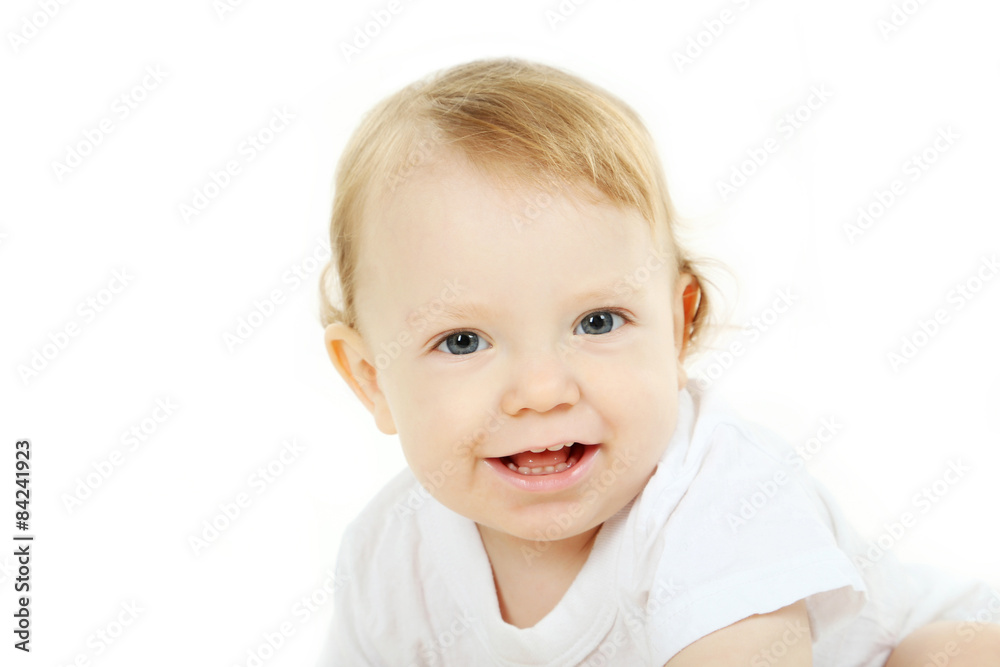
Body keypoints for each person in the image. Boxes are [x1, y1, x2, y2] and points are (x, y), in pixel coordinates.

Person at [317, 57, 1000, 666]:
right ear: (371, 376)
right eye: (463, 340)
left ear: (678, 327)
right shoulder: (389, 559)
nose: (542, 389)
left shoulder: (719, 499)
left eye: (597, 322)